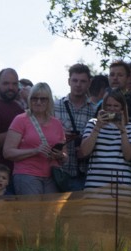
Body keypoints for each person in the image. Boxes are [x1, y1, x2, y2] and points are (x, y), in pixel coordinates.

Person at [3, 82, 66, 195]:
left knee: (51, 207)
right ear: (29, 100)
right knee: (32, 207)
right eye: (34, 98)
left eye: (43, 99)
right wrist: (35, 150)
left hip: (52, 176)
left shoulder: (57, 123)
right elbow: (7, 152)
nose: (38, 102)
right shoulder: (20, 120)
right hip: (26, 174)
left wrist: (60, 155)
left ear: (49, 101)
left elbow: (65, 156)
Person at [77, 88, 131, 189]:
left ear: (122, 108)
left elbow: (128, 156)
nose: (112, 109)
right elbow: (84, 151)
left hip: (121, 186)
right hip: (95, 184)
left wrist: (123, 130)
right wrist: (97, 128)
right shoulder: (93, 123)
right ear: (103, 107)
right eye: (108, 105)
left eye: (116, 106)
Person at [54, 64, 95, 192]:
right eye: (75, 80)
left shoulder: (95, 110)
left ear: (89, 83)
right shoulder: (54, 107)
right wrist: (61, 137)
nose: (78, 85)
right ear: (69, 81)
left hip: (85, 173)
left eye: (83, 81)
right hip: (59, 172)